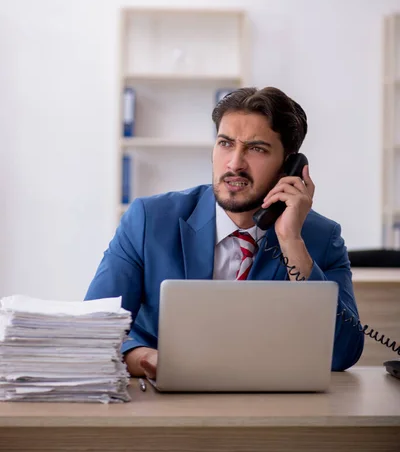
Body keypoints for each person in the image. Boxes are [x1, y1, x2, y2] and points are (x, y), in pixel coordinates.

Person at [85, 86, 364, 378]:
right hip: (165, 404)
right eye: (226, 143)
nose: (234, 164)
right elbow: (93, 328)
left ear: (290, 166)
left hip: (274, 409)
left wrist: (291, 242)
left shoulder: (320, 238)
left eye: (256, 149)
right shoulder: (149, 220)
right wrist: (143, 357)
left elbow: (342, 353)